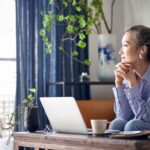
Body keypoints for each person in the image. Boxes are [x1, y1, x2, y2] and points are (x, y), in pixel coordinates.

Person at [109, 25, 150, 131]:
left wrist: (132, 84)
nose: (120, 52)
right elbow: (123, 116)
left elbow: (145, 117)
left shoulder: (131, 78)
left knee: (132, 126)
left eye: (125, 45)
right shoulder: (129, 75)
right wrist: (119, 84)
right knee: (116, 124)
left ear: (142, 50)